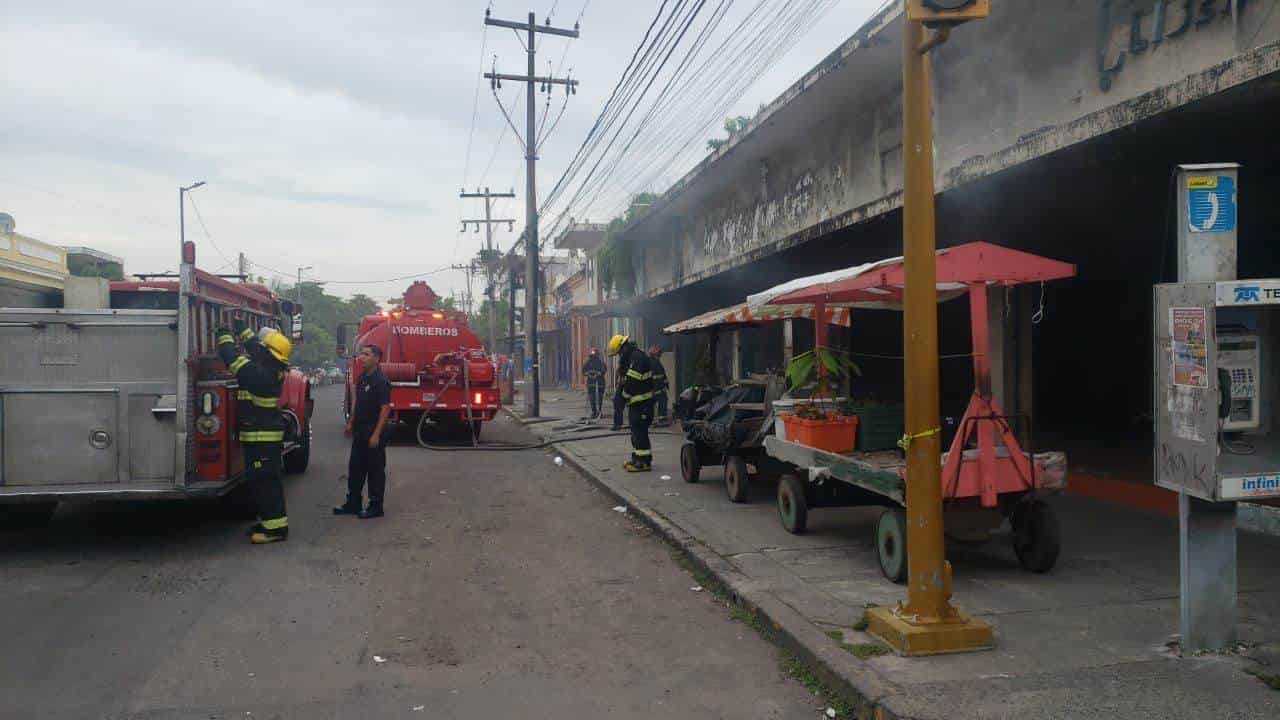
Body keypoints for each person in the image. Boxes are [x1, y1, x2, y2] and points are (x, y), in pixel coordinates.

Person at [216, 321, 292, 545]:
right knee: (264, 483)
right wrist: (243, 330)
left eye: (263, 347)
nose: (259, 349)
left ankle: (276, 530)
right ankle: (269, 522)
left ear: (269, 353)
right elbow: (256, 348)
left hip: (262, 439)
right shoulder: (270, 367)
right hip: (262, 438)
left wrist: (224, 336)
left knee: (265, 484)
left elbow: (231, 358)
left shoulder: (259, 374)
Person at [335, 344, 392, 519]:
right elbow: (357, 403)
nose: (362, 357)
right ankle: (353, 503)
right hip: (360, 431)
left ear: (376, 358)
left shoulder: (381, 381)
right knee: (355, 469)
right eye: (361, 354)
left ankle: (376, 506)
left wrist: (376, 434)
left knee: (375, 471)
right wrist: (351, 423)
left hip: (373, 432)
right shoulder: (362, 378)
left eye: (366, 354)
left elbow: (385, 409)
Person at [608, 334, 655, 472]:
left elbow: (632, 383)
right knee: (635, 432)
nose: (619, 356)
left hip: (643, 403)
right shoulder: (632, 358)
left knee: (640, 433)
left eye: (619, 353)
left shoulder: (637, 358)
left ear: (623, 347)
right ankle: (637, 458)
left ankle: (644, 463)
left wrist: (623, 396)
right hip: (636, 403)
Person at [582, 347, 607, 420]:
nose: (593, 357)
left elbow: (604, 369)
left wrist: (598, 374)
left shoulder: (600, 362)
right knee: (592, 397)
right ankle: (594, 411)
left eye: (595, 356)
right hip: (591, 382)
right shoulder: (588, 362)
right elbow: (583, 371)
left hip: (600, 382)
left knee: (599, 397)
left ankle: (599, 411)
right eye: (592, 356)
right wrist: (588, 374)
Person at [648, 344, 669, 425]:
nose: (660, 354)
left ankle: (660, 419)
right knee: (659, 401)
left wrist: (666, 383)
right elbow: (654, 376)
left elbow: (662, 374)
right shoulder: (652, 362)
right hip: (656, 387)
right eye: (659, 353)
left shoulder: (656, 361)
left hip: (659, 387)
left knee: (661, 401)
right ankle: (660, 419)